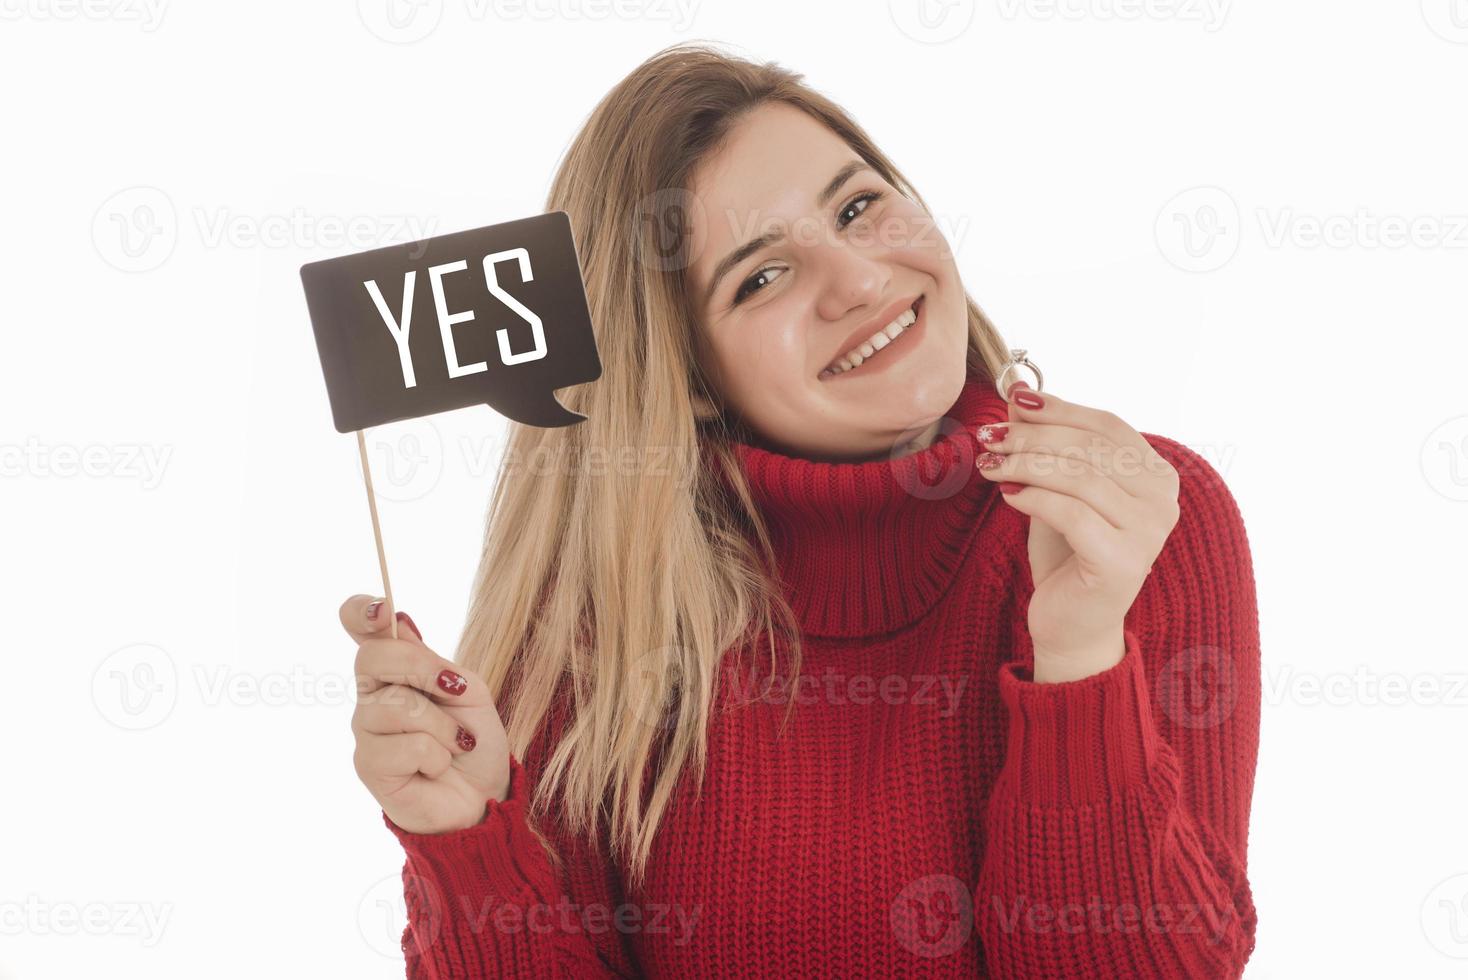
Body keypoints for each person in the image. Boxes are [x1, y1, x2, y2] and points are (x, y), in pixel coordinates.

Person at [341, 42, 1260, 979]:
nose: (861, 281)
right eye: (761, 277)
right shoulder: (606, 616)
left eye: (858, 207)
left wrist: (1078, 664)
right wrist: (467, 844)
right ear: (690, 379)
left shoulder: (1138, 524)